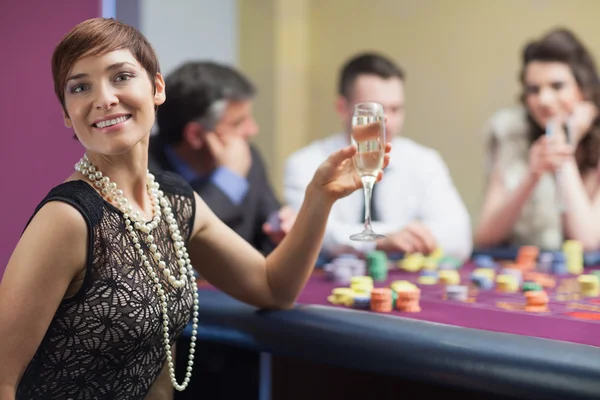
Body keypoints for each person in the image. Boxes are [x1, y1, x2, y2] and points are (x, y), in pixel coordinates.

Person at [0, 18, 391, 400]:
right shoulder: (68, 218)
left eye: (120, 76)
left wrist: (318, 198)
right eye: (80, 87)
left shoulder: (174, 199)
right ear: (67, 113)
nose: (103, 98)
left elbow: (273, 288)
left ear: (156, 88)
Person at [284, 52, 472, 261]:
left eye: (396, 109)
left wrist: (383, 236)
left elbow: (459, 235)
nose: (387, 122)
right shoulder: (305, 163)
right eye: (374, 110)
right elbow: (304, 233)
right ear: (342, 108)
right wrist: (381, 240)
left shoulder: (425, 161)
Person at [149, 61, 294, 254]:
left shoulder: (249, 157)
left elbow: (267, 236)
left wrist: (282, 232)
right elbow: (173, 242)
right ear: (195, 135)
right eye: (238, 123)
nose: (253, 129)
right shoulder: (140, 168)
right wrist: (229, 178)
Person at [475, 28, 600, 251]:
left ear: (584, 89)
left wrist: (564, 147)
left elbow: (587, 241)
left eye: (557, 86)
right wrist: (531, 175)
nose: (543, 99)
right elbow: (485, 237)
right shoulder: (512, 133)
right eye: (533, 89)